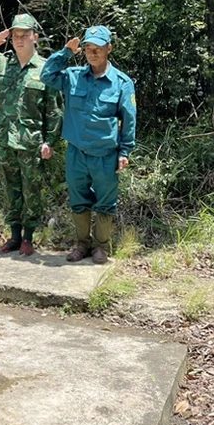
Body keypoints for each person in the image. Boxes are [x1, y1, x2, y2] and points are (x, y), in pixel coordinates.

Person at [0, 14, 63, 255]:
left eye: (24, 35)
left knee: (31, 190)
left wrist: (50, 140)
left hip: (30, 142)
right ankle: (14, 236)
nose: (19, 39)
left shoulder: (45, 68)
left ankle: (28, 237)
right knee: (11, 190)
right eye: (15, 35)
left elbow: (55, 109)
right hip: (4, 138)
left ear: (34, 37)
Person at [39, 25, 137, 264]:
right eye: (88, 49)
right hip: (76, 153)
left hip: (105, 154)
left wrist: (124, 151)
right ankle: (82, 244)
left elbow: (129, 117)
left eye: (98, 48)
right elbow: (46, 75)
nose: (93, 53)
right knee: (78, 199)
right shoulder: (72, 77)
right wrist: (64, 53)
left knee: (105, 202)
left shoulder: (121, 82)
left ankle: (101, 247)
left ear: (109, 48)